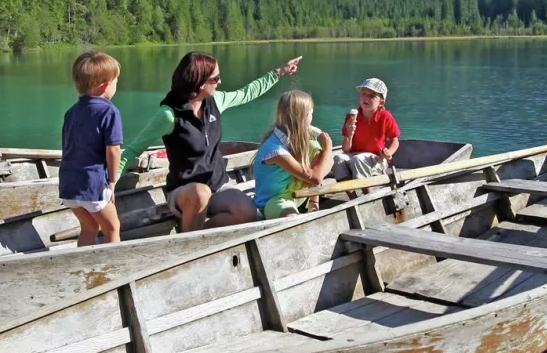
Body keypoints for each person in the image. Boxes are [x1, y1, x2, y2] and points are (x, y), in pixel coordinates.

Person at [120, 52, 302, 231]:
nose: (220, 82)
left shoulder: (216, 101)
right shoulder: (169, 115)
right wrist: (109, 185)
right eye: (215, 79)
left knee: (247, 211)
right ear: (199, 82)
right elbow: (133, 150)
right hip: (184, 193)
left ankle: (199, 235)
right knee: (200, 193)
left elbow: (247, 93)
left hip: (217, 186)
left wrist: (280, 71)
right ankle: (189, 243)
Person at [60, 51, 124, 246]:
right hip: (92, 184)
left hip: (69, 184)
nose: (116, 84)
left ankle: (84, 269)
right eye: (116, 81)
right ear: (105, 85)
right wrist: (112, 181)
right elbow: (113, 150)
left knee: (88, 227)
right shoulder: (109, 111)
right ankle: (112, 270)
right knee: (112, 228)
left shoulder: (71, 112)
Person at [252, 91, 334, 219]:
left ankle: (313, 204)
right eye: (311, 113)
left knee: (314, 147)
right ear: (303, 117)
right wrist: (328, 151)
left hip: (295, 195)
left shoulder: (302, 140)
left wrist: (314, 202)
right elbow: (316, 178)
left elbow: (317, 171)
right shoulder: (276, 151)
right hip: (274, 202)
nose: (312, 117)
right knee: (293, 220)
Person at [335, 77, 401, 179]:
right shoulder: (351, 117)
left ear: (381, 103)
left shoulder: (385, 116)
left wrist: (389, 152)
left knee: (358, 159)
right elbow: (345, 149)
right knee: (338, 158)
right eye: (363, 94)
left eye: (371, 96)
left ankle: (367, 192)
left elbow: (395, 140)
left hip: (377, 158)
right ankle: (353, 195)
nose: (366, 98)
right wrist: (349, 135)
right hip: (355, 155)